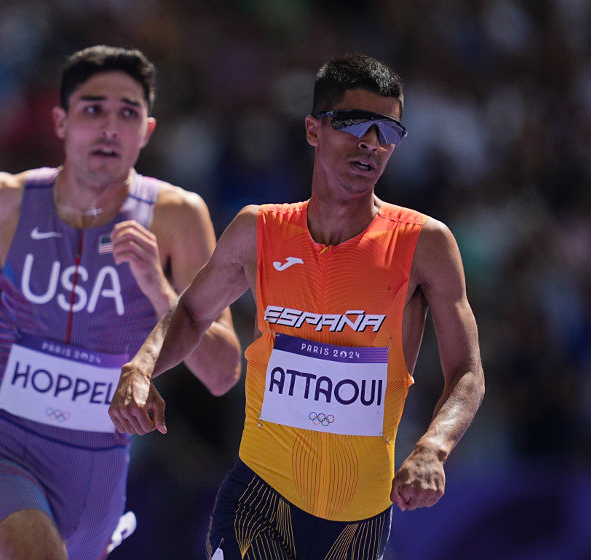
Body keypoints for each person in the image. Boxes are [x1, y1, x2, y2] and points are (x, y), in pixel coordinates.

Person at [109, 53, 486, 560]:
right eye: (355, 124)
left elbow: (467, 372)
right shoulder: (258, 230)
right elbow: (195, 313)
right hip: (260, 501)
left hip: (360, 522)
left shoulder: (425, 244)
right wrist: (142, 365)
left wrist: (432, 448)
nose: (371, 144)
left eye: (388, 132)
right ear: (313, 129)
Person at [0, 45, 242, 560]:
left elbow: (223, 371)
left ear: (147, 130)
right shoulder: (8, 198)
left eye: (128, 113)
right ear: (61, 121)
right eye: (93, 109)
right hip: (2, 446)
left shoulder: (176, 216)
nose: (110, 127)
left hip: (99, 473)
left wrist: (157, 287)